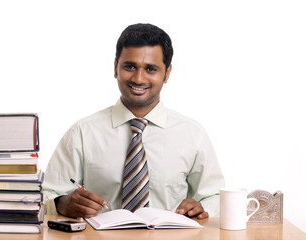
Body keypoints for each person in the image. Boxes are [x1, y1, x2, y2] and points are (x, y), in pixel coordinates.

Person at [43, 23, 224, 219]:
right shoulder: (82, 132)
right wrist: (62, 204)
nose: (138, 78)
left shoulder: (192, 134)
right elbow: (45, 195)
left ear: (167, 73)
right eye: (130, 66)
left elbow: (215, 197)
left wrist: (201, 209)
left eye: (151, 69)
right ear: (115, 68)